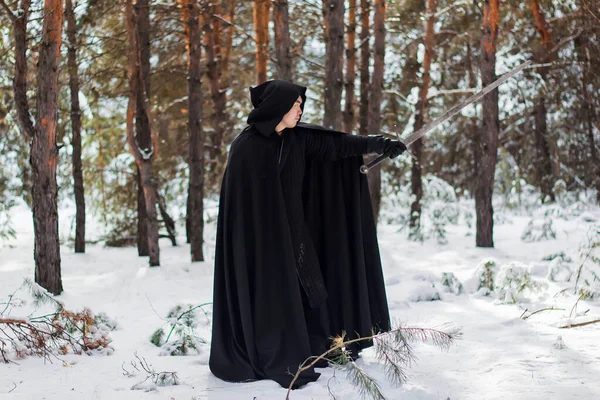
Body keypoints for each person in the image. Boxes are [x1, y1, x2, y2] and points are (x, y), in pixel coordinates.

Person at [209, 80, 406, 389]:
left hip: (295, 237)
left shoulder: (295, 140)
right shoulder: (246, 147)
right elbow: (240, 210)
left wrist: (378, 143)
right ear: (278, 108)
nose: (300, 110)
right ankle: (270, 350)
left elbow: (337, 146)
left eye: (301, 105)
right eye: (295, 105)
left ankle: (317, 344)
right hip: (259, 247)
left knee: (313, 291)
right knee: (272, 297)